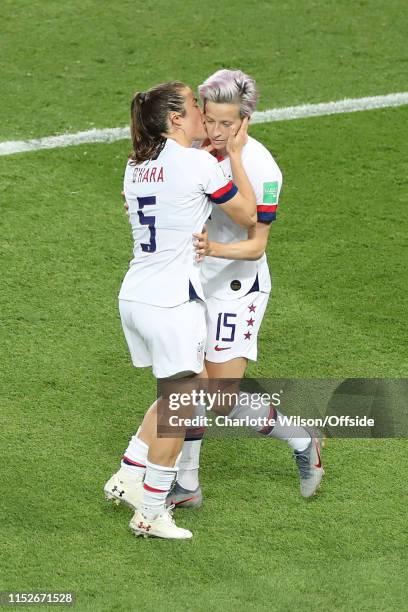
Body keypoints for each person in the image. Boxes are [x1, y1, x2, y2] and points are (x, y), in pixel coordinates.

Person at [104, 80, 257, 539]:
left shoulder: (135, 167)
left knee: (178, 395)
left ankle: (130, 473)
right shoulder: (197, 165)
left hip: (135, 296)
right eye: (194, 107)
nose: (202, 113)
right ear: (175, 120)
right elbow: (248, 215)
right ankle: (152, 510)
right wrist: (234, 154)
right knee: (181, 406)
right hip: (173, 303)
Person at [167, 69, 324, 507]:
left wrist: (212, 247)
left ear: (246, 121)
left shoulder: (262, 167)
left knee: (219, 399)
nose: (215, 132)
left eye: (227, 124)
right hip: (193, 283)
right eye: (210, 120)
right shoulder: (193, 147)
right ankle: (187, 484)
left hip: (237, 287)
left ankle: (301, 439)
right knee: (187, 379)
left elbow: (255, 246)